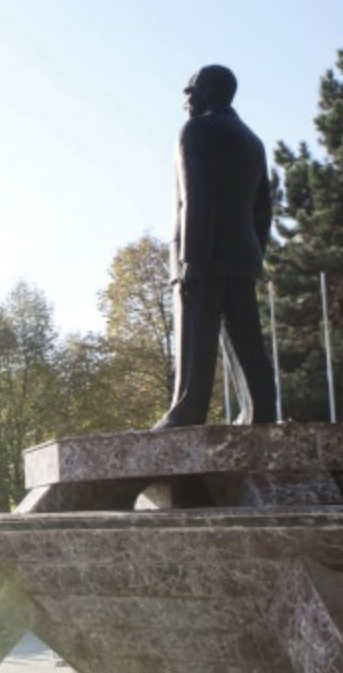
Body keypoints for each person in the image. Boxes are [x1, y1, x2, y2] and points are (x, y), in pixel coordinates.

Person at [154, 64, 277, 429]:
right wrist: (253, 255)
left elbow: (196, 197)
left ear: (208, 91)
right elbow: (262, 211)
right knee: (246, 341)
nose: (186, 96)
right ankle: (262, 411)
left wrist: (190, 258)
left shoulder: (195, 131)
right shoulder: (252, 141)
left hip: (201, 254)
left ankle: (186, 412)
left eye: (191, 88)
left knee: (195, 339)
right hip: (242, 257)